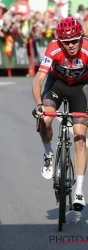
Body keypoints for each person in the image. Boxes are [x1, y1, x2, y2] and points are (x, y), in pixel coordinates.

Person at [32, 17, 88, 209]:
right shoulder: (53, 47)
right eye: (67, 42)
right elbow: (38, 80)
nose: (71, 46)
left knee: (80, 138)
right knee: (45, 120)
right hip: (56, 85)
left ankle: (79, 191)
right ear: (60, 41)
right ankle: (48, 155)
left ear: (81, 38)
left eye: (75, 41)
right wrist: (39, 105)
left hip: (80, 88)